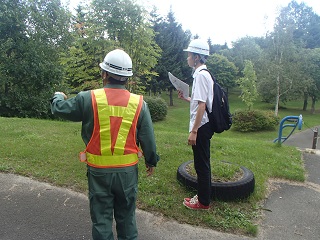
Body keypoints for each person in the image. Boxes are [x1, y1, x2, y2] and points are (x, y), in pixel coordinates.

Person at [51, 49, 160, 240]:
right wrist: (151, 161)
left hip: (99, 172)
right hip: (127, 173)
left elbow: (60, 108)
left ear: (104, 74)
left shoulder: (88, 98)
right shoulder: (139, 103)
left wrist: (58, 96)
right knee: (127, 219)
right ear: (128, 78)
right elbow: (148, 138)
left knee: (101, 220)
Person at [178, 39, 214, 210]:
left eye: (190, 55)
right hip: (204, 125)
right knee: (202, 162)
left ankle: (203, 202)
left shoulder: (200, 75)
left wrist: (194, 131)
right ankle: (202, 197)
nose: (188, 58)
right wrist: (187, 98)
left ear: (197, 57)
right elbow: (200, 101)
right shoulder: (203, 74)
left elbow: (202, 105)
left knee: (201, 164)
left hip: (201, 126)